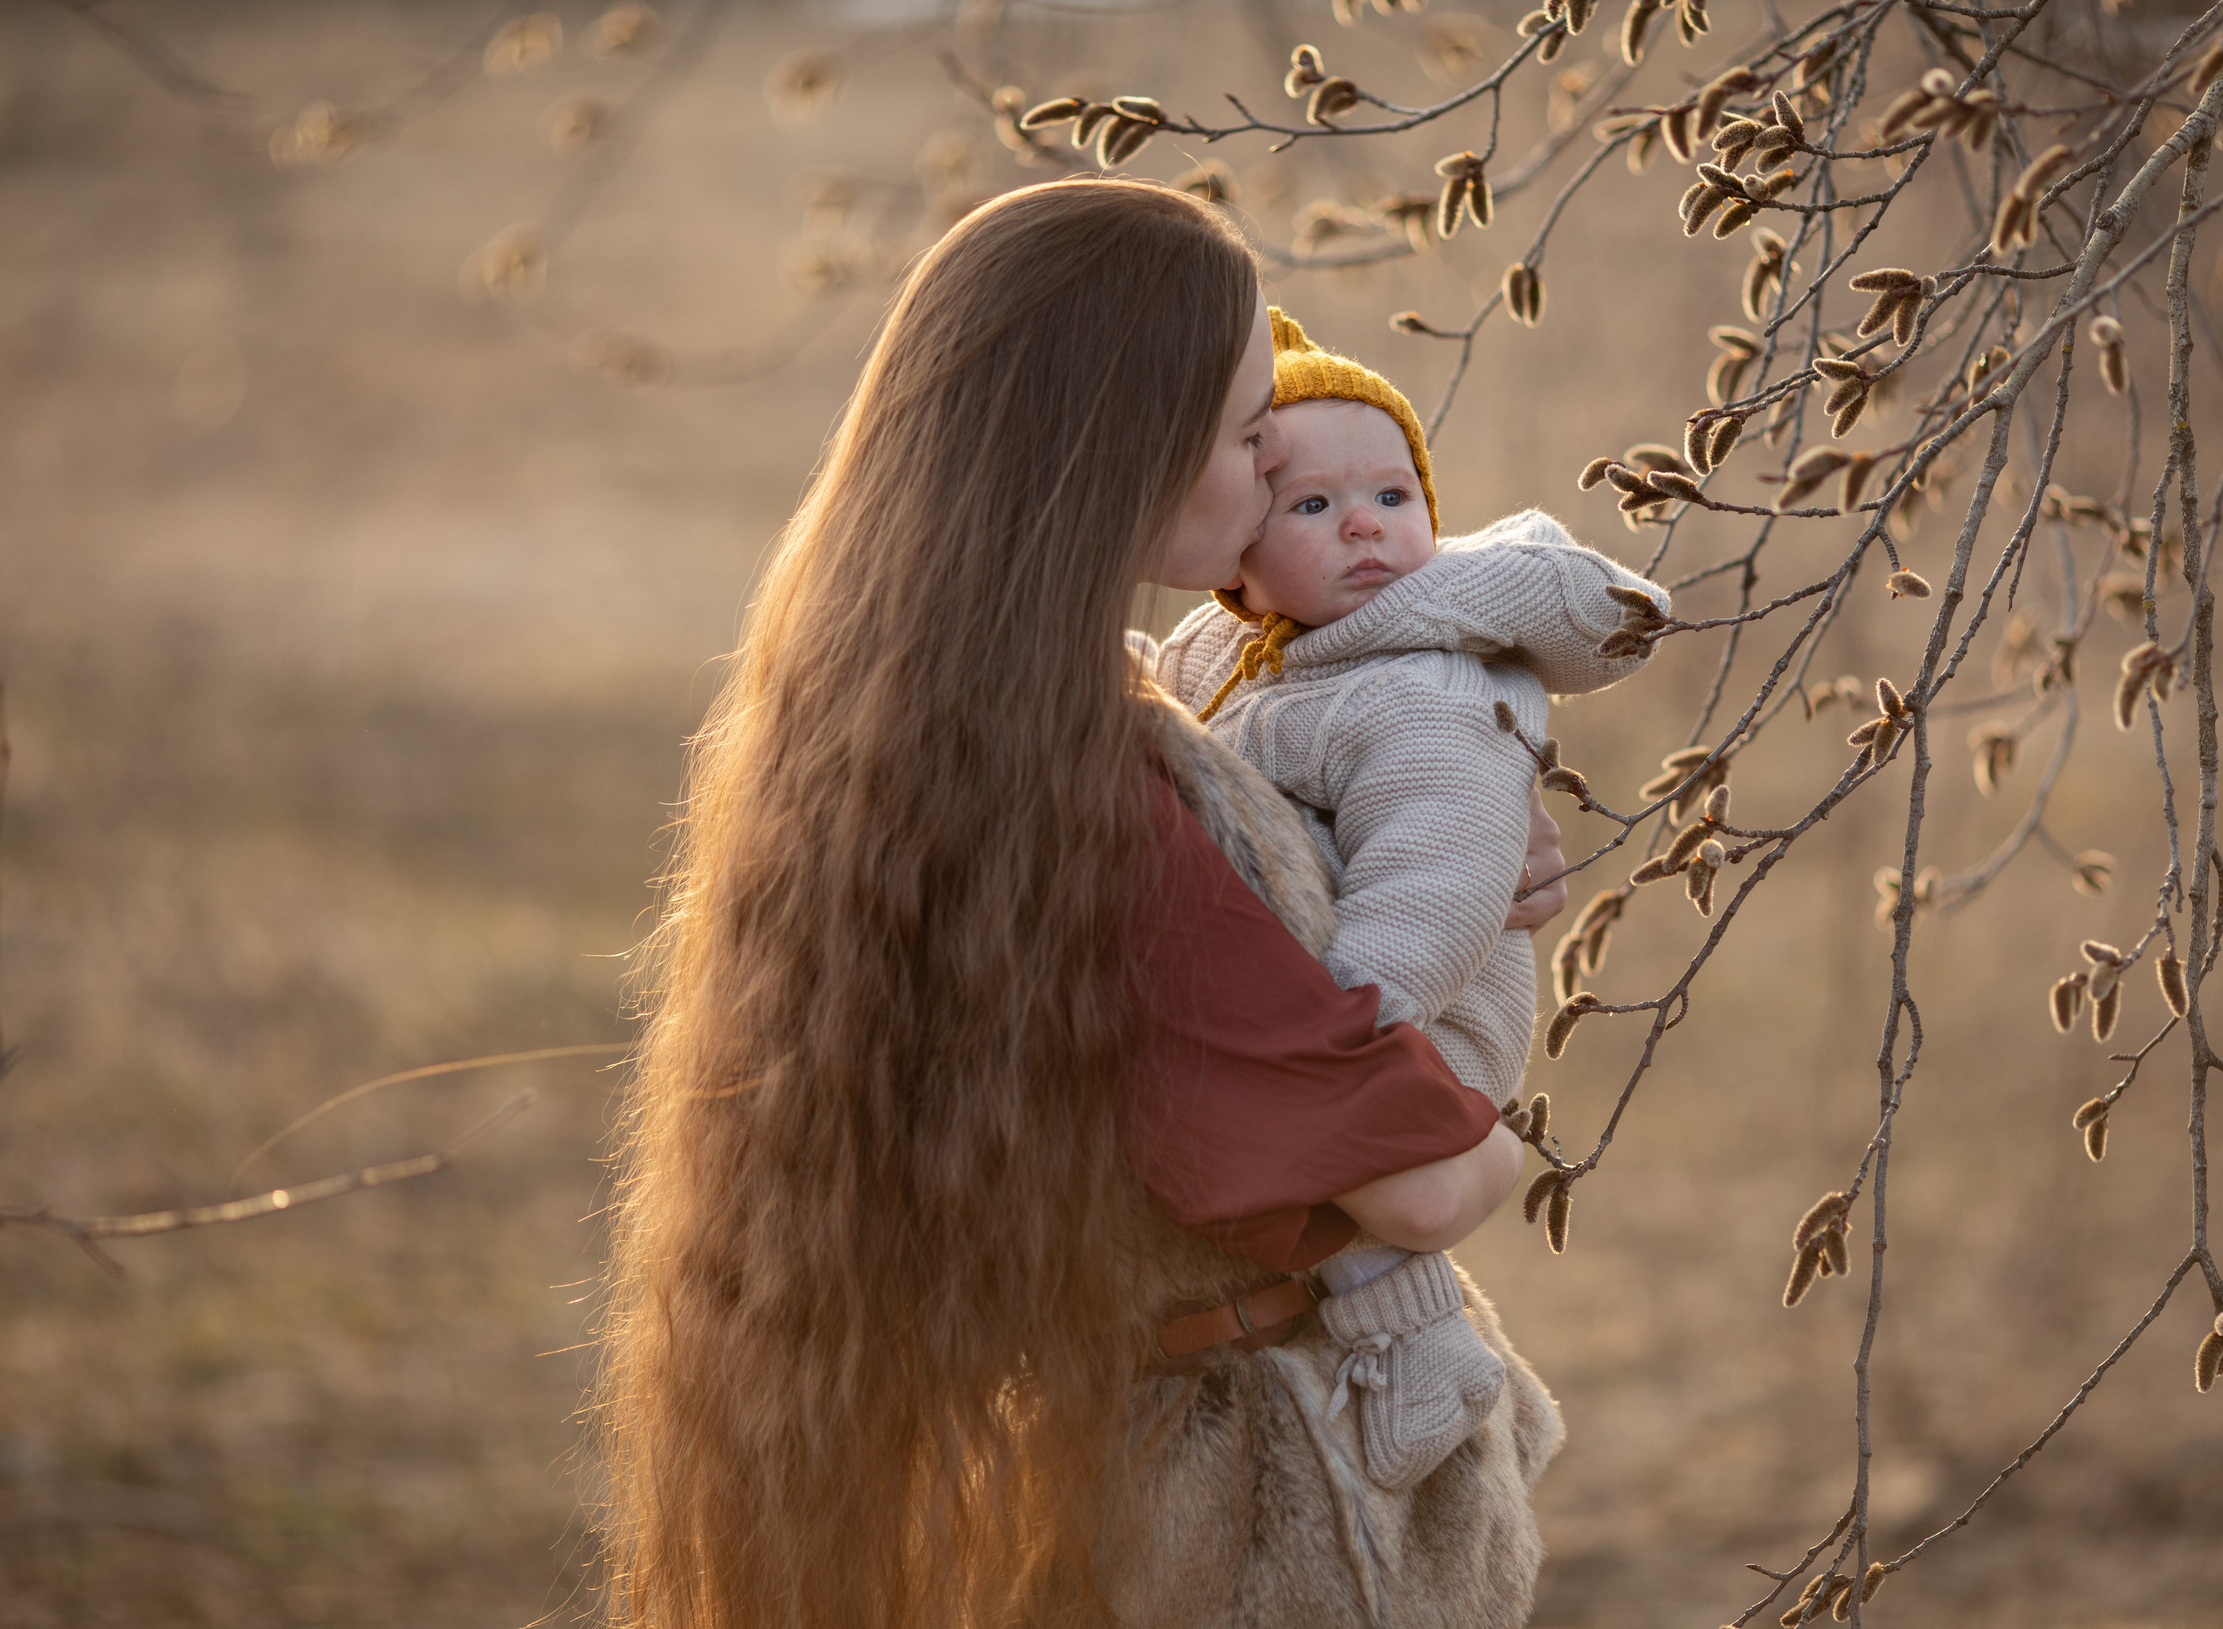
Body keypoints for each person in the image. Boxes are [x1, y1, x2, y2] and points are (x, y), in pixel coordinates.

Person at [594, 177, 1570, 1629]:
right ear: (1136, 448)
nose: (1279, 465)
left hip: (1096, 1479)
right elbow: (1418, 1184)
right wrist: (1498, 1009)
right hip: (1248, 1527)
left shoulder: (901, 713)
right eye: (1252, 433)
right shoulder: (1100, 796)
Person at [1150, 312, 1668, 1496]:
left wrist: (1343, 1023)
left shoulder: (1423, 685)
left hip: (1419, 1013)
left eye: (1392, 492)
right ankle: (1427, 1347)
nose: (1367, 525)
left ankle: (1428, 1352)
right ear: (1238, 556)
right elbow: (1158, 699)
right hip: (1353, 1020)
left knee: (1356, 1190)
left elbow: (1440, 864)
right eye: (1315, 507)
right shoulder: (1241, 652)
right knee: (1337, 1183)